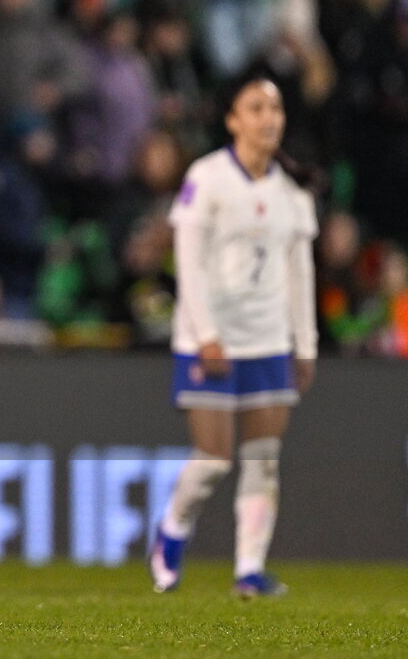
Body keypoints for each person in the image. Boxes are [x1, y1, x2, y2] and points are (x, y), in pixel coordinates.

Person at [148, 77, 318, 597]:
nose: (269, 118)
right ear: (233, 120)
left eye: (276, 107)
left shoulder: (292, 191)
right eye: (256, 108)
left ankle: (248, 569)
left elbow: (300, 271)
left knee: (263, 457)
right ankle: (172, 528)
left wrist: (304, 343)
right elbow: (190, 264)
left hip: (268, 340)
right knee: (214, 458)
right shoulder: (208, 178)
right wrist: (206, 335)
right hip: (212, 339)